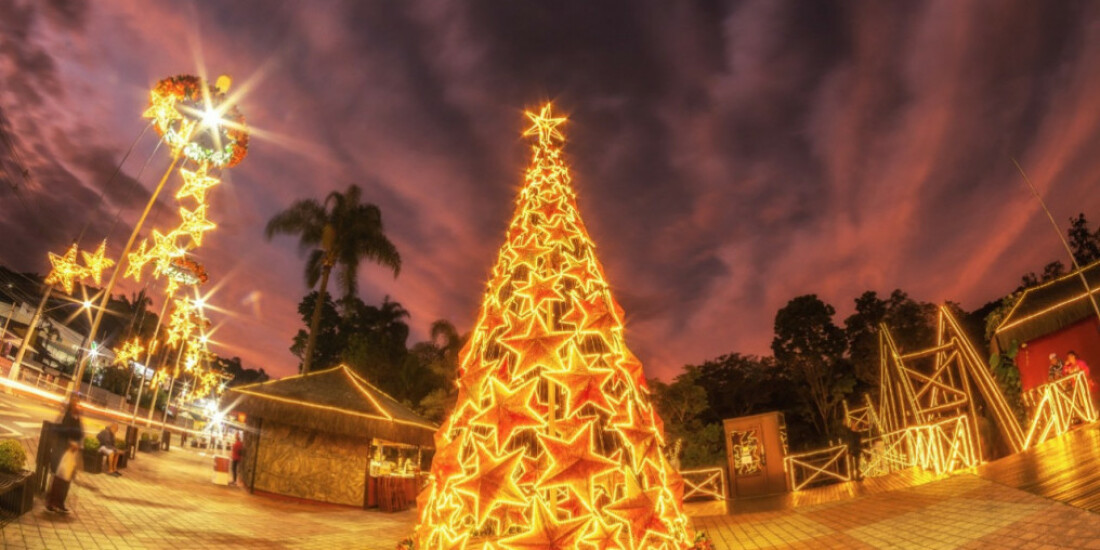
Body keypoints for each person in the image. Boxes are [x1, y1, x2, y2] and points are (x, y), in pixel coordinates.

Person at [46, 396, 84, 513]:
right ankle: (52, 502)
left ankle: (60, 502)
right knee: (59, 477)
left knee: (67, 478)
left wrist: (77, 444)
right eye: (76, 404)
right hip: (62, 450)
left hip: (72, 452)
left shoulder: (77, 418)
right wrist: (69, 442)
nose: (78, 406)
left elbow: (80, 434)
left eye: (79, 404)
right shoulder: (66, 416)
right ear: (72, 406)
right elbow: (61, 431)